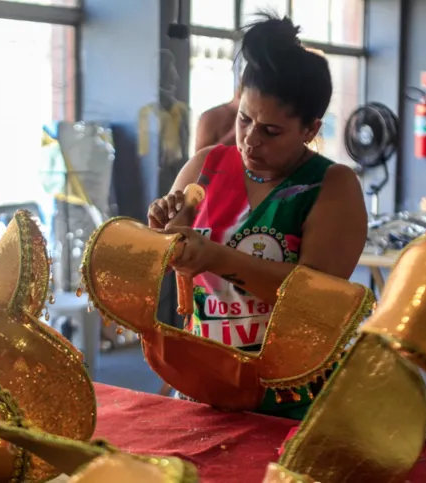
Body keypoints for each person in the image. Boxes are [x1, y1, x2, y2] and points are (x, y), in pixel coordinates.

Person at [147, 13, 367, 420]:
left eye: (271, 130)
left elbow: (313, 302)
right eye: (244, 119)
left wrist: (214, 256)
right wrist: (166, 234)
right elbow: (170, 260)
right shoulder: (205, 166)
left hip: (293, 399)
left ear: (310, 128)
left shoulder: (331, 187)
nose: (249, 139)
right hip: (206, 386)